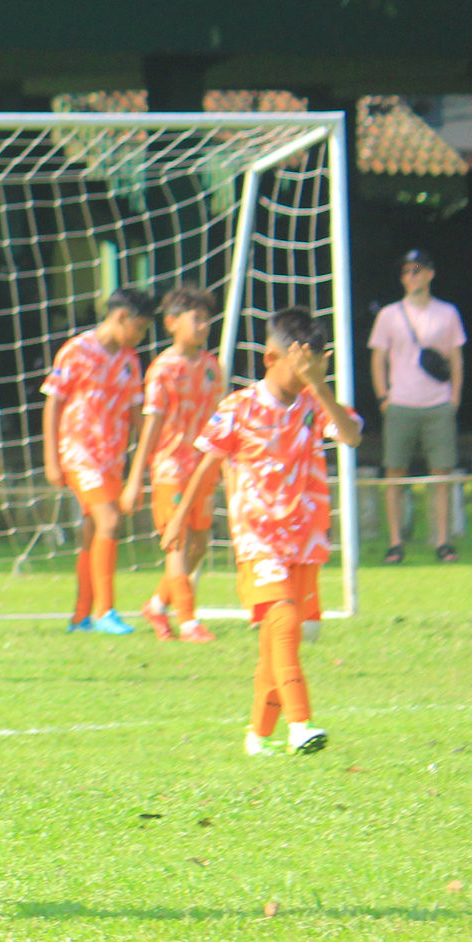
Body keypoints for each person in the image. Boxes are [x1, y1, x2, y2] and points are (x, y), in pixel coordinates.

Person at [163, 308, 362, 757]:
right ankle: (300, 724)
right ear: (272, 358)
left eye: (315, 367)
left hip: (305, 542)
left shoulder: (315, 404)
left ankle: (258, 734)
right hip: (257, 539)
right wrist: (180, 516)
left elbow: (351, 436)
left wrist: (319, 386)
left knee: (282, 637)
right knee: (284, 621)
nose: (306, 376)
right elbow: (207, 464)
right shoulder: (238, 408)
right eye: (300, 367)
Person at [41, 286, 156, 635]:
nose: (140, 337)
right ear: (121, 317)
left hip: (111, 460)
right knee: (110, 520)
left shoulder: (130, 360)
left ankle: (81, 616)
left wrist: (151, 455)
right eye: (139, 328)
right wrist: (52, 458)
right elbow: (54, 402)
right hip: (79, 454)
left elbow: (136, 412)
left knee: (93, 534)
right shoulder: (76, 351)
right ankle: (106, 611)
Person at [126, 286, 226, 643]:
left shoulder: (212, 367)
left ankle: (157, 604)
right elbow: (151, 426)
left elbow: (219, 420)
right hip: (170, 467)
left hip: (203, 468)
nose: (203, 326)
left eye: (206, 319)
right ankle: (188, 621)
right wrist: (135, 478)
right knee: (178, 543)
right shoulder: (162, 370)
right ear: (171, 323)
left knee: (199, 545)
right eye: (195, 319)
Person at [369, 248, 463, 564]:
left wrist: (454, 397)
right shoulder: (389, 314)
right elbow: (378, 357)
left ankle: (443, 542)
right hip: (400, 403)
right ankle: (395, 543)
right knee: (394, 473)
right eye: (406, 271)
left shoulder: (448, 313)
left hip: (438, 403)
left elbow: (456, 357)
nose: (411, 276)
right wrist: (383, 397)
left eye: (417, 269)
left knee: (442, 473)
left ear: (430, 274)